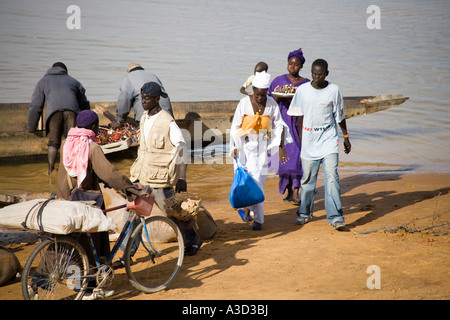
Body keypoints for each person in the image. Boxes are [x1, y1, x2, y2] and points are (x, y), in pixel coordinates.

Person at [57, 110, 146, 299]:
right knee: (92, 243)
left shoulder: (67, 143)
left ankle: (77, 284)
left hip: (65, 199)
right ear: (94, 127)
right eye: (97, 127)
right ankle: (89, 289)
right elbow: (110, 173)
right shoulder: (92, 147)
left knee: (75, 242)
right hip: (85, 202)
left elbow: (77, 169)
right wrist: (129, 187)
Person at [123, 81, 202, 258]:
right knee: (133, 214)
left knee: (172, 214)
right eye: (142, 97)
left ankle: (192, 240)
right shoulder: (144, 117)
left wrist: (182, 177)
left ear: (157, 99)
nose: (143, 101)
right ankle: (126, 253)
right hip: (142, 175)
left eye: (147, 98)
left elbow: (182, 148)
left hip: (160, 180)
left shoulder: (168, 122)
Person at [287, 59, 351, 230]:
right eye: (314, 73)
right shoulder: (302, 91)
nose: (316, 77)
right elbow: (298, 116)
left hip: (329, 140)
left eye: (320, 73)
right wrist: (301, 140)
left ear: (326, 73)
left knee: (332, 178)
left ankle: (336, 217)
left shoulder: (334, 90)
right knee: (307, 180)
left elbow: (340, 116)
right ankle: (304, 213)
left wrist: (345, 136)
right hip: (309, 142)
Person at [231, 71, 291, 230]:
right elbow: (235, 126)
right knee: (245, 181)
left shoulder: (271, 104)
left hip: (262, 148)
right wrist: (235, 146)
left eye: (263, 95)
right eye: (257, 94)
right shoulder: (243, 103)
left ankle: (258, 219)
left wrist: (280, 146)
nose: (260, 98)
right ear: (254, 90)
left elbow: (279, 125)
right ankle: (246, 208)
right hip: (244, 147)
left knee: (257, 183)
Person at [28, 62, 90, 175]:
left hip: (54, 113)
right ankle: (70, 171)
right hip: (72, 112)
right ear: (65, 71)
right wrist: (87, 123)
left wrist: (31, 127)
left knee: (53, 142)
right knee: (71, 140)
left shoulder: (43, 82)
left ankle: (51, 170)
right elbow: (84, 104)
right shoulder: (74, 81)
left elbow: (36, 106)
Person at [269, 48, 310, 205]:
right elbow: (269, 102)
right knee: (283, 158)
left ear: (300, 66)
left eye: (296, 64)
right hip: (282, 122)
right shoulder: (278, 81)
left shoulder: (306, 84)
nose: (293, 66)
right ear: (287, 65)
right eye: (290, 64)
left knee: (298, 156)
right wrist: (278, 97)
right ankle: (287, 191)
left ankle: (296, 190)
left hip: (298, 123)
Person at [114, 63, 174, 128]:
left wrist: (120, 120)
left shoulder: (128, 78)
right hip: (168, 116)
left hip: (146, 119)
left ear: (129, 71)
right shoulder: (152, 75)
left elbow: (124, 100)